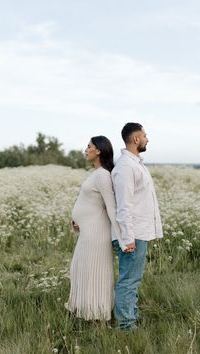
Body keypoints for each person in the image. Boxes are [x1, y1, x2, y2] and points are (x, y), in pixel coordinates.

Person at [65, 136, 125, 321]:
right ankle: (84, 311)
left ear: (98, 150)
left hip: (96, 233)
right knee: (80, 269)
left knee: (94, 272)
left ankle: (96, 313)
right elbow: (91, 204)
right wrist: (77, 221)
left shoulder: (103, 175)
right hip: (88, 230)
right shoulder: (96, 173)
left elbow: (111, 207)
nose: (86, 149)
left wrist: (123, 240)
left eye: (89, 146)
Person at [111, 122, 163, 330]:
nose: (147, 138)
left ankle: (131, 316)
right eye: (145, 135)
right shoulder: (125, 167)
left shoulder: (134, 164)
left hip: (138, 232)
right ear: (135, 139)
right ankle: (126, 326)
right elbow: (124, 206)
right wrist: (128, 237)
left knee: (134, 278)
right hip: (133, 234)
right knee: (128, 280)